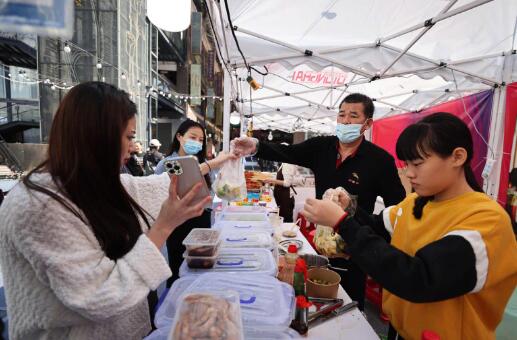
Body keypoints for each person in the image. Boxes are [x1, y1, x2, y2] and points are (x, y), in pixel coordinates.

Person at [0, 82, 211, 340]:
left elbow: (158, 185)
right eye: (129, 137)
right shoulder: (36, 204)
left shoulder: (95, 184)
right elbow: (98, 297)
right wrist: (164, 226)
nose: (133, 147)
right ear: (96, 135)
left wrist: (223, 159)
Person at [301, 112, 517, 340]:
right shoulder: (415, 202)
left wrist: (342, 222)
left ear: (457, 157)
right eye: (406, 164)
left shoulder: (486, 220)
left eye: (418, 163)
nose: (409, 173)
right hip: (402, 330)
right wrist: (350, 210)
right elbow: (378, 229)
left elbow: (419, 279)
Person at [232, 93, 406, 310]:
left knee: (349, 307)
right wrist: (256, 146)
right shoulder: (322, 147)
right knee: (316, 298)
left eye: (353, 116)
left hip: (355, 248)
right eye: (341, 115)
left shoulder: (380, 161)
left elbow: (397, 208)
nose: (345, 121)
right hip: (320, 243)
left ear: (367, 123)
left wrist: (370, 233)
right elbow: (289, 152)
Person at [154, 119, 237, 285]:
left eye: (201, 140)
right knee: (179, 268)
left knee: (200, 265)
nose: (197, 143)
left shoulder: (201, 164)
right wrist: (212, 164)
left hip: (202, 218)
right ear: (179, 136)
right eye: (193, 137)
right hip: (178, 223)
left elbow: (211, 191)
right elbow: (170, 184)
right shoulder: (167, 163)